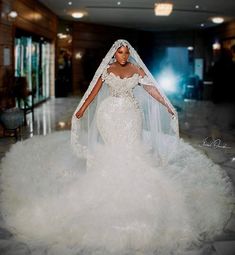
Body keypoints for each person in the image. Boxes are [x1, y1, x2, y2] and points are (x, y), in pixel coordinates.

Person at [0, 40, 234, 255]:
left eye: (126, 52)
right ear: (114, 53)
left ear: (130, 53)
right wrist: (81, 109)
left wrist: (166, 103)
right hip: (109, 114)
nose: (123, 55)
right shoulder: (107, 69)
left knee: (131, 149)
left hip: (131, 115)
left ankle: (137, 190)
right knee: (113, 150)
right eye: (119, 51)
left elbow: (151, 89)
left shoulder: (136, 70)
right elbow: (93, 91)